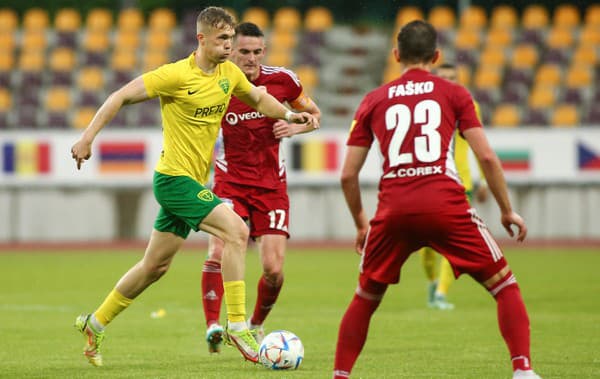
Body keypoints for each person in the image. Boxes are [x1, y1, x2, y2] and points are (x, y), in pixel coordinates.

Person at [70, 7, 318, 367]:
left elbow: (259, 98)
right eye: (222, 40)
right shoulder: (174, 75)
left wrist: (289, 115)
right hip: (174, 180)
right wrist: (87, 137)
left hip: (190, 182)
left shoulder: (228, 74)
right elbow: (120, 96)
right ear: (201, 39)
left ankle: (94, 323)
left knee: (154, 266)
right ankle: (237, 325)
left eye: (231, 40)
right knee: (236, 230)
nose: (229, 47)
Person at [333, 20, 541, 379]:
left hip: (393, 210)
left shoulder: (373, 99)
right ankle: (522, 370)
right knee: (504, 286)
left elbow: (348, 174)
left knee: (365, 298)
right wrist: (507, 210)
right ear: (437, 55)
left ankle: (340, 376)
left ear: (396, 55)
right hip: (446, 205)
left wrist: (361, 223)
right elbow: (487, 157)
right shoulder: (454, 94)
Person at [200, 22, 321, 354]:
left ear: (263, 51)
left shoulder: (283, 81)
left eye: (256, 52)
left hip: (271, 187)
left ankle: (254, 325)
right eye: (243, 52)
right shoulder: (215, 82)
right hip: (230, 183)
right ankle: (213, 326)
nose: (250, 59)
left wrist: (294, 129)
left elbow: (314, 115)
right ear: (231, 50)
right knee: (218, 249)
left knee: (273, 270)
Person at [418, 62, 489, 310]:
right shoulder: (422, 106)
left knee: (453, 241)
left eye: (452, 77)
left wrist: (481, 179)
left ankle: (441, 292)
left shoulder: (468, 105)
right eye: (443, 77)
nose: (449, 81)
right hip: (429, 180)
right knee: (426, 247)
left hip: (462, 180)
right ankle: (432, 281)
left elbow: (478, 145)